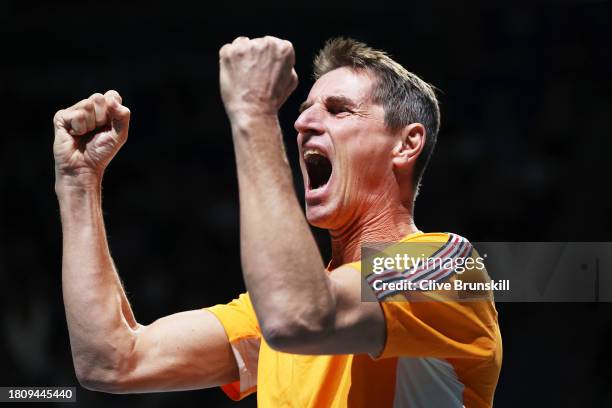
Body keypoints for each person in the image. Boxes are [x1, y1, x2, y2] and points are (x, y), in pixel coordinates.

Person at [53, 36, 501, 407]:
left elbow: (300, 316)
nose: (303, 121)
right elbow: (112, 360)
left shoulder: (448, 268)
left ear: (406, 144)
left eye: (339, 109)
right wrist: (78, 182)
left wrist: (253, 111)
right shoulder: (272, 311)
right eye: (303, 109)